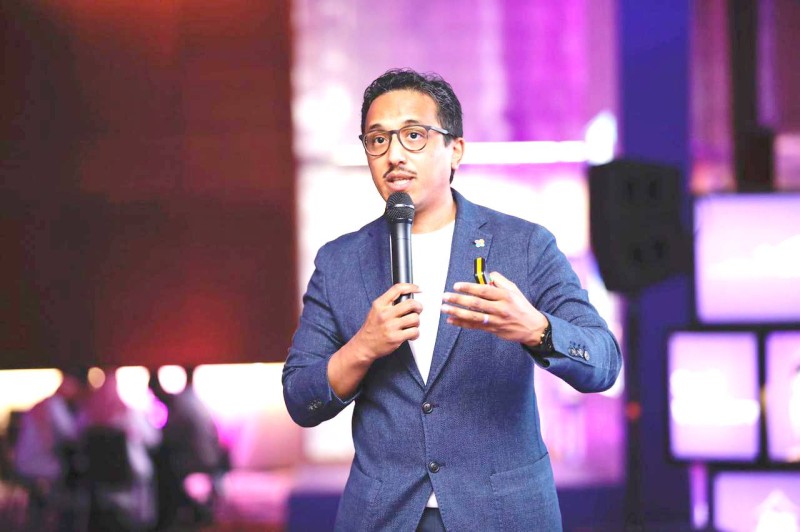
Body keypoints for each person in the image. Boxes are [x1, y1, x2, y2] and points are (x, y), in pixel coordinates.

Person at [282, 68, 622, 531]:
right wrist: (363, 346)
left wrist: (537, 330)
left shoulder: (524, 245)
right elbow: (301, 399)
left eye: (414, 135)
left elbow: (603, 363)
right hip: (384, 517)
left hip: (503, 515)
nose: (394, 154)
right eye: (378, 140)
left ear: (455, 148)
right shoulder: (340, 262)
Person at [149, 367, 225, 528]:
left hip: (194, 467)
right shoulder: (194, 400)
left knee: (159, 470)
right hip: (209, 465)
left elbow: (165, 438)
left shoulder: (181, 404)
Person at [13, 368, 86, 529]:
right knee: (75, 484)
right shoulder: (55, 405)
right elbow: (71, 436)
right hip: (41, 466)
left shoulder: (45, 403)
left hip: (23, 465)